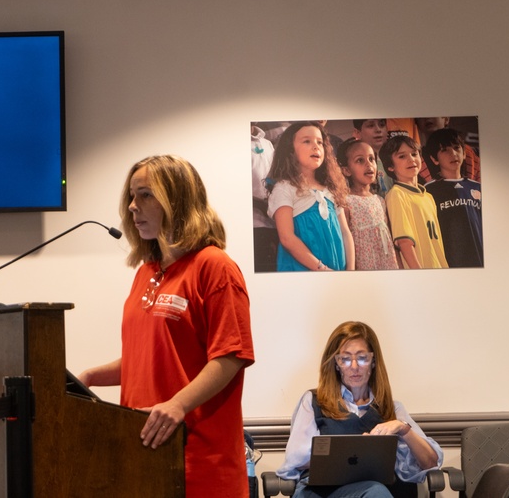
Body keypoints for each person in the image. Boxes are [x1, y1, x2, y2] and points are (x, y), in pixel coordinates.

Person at [79, 155, 255, 498]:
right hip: (143, 457)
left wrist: (178, 404)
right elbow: (149, 357)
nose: (132, 207)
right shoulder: (147, 272)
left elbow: (231, 355)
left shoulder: (214, 267)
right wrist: (88, 378)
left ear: (177, 199)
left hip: (199, 464)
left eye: (145, 195)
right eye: (132, 196)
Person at [277, 321, 443, 498]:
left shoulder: (391, 409)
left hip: (376, 491)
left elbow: (430, 462)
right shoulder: (314, 401)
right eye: (346, 359)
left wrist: (403, 428)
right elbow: (295, 463)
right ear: (336, 363)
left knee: (378, 491)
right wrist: (345, 458)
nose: (354, 367)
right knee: (376, 492)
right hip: (321, 492)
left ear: (373, 362)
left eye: (362, 358)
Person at [266, 121, 355, 271]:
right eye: (307, 141)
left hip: (337, 272)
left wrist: (351, 270)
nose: (316, 146)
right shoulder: (284, 188)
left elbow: (345, 233)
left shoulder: (331, 189)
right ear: (290, 150)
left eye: (320, 142)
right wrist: (323, 269)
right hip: (302, 270)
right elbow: (287, 238)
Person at [378, 135, 448, 269]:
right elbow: (404, 242)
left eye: (414, 154)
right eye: (402, 156)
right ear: (390, 166)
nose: (411, 159)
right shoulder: (396, 195)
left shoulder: (428, 196)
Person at [423, 128, 484, 267]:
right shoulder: (428, 191)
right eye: (445, 150)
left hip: (479, 259)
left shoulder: (477, 188)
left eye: (457, 148)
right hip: (449, 261)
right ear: (434, 159)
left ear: (464, 154)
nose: (453, 154)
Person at [336, 139, 399, 270]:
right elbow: (345, 239)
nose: (369, 165)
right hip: (365, 267)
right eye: (360, 160)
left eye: (371, 159)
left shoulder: (380, 200)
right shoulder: (346, 202)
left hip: (388, 263)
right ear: (346, 170)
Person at [415, 117, 481, 183]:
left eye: (456, 148)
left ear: (446, 119)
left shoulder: (470, 153)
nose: (427, 118)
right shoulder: (416, 158)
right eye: (444, 150)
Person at [251, 123, 280, 272]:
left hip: (274, 222)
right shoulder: (233, 143)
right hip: (254, 224)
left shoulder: (267, 143)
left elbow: (275, 175)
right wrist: (260, 203)